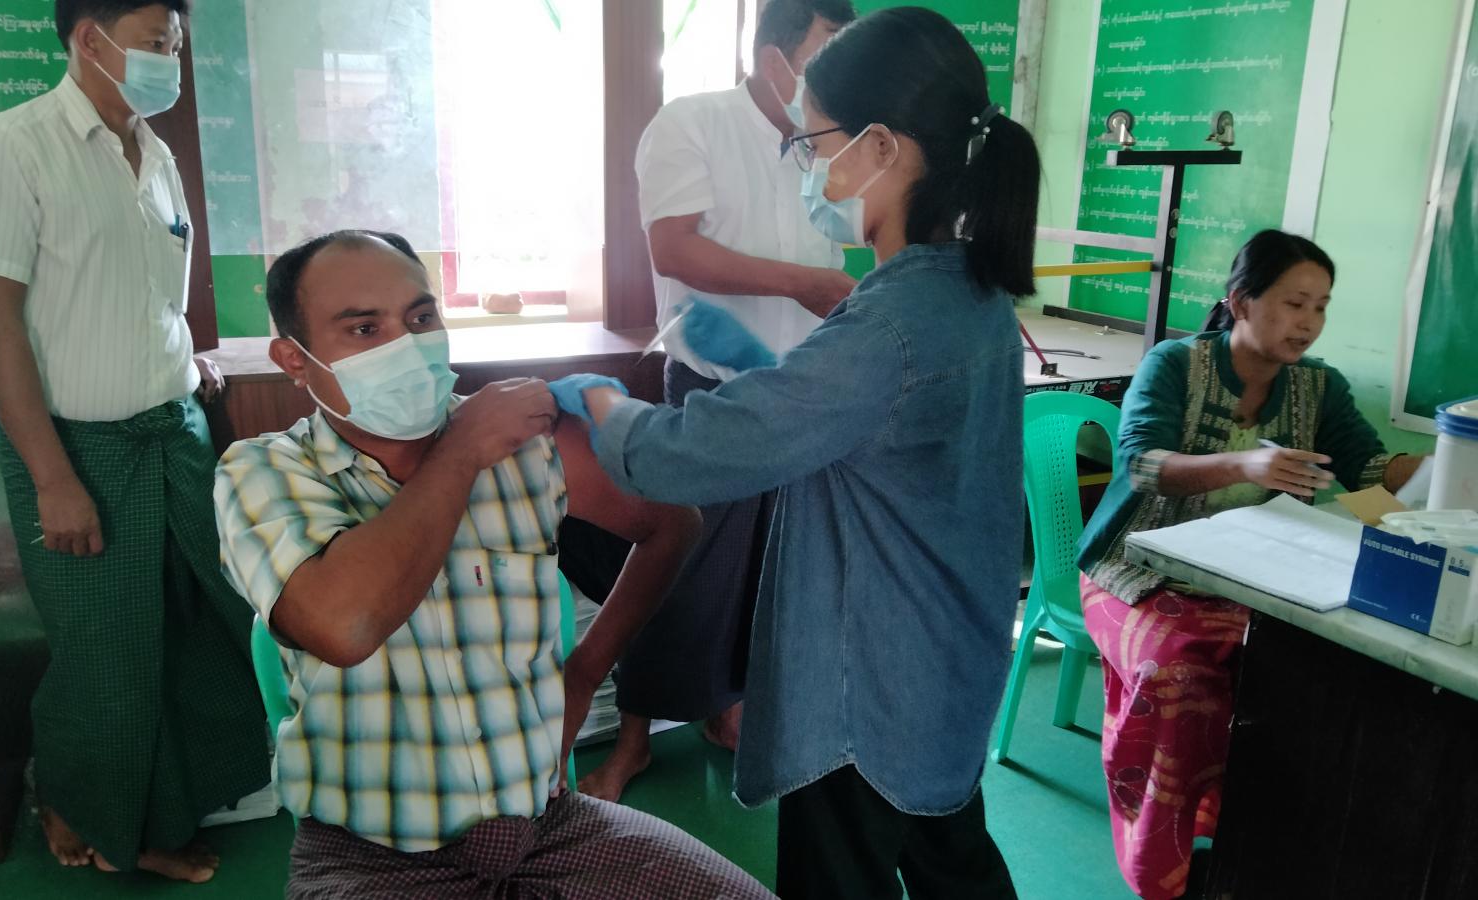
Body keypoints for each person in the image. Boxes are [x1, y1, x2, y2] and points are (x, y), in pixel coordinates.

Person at [555, 9, 1038, 898]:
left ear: (882, 148)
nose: (808, 168)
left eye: (812, 144)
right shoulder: (971, 295)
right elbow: (874, 434)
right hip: (947, 663)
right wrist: (762, 370)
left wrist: (601, 405)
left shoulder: (888, 325)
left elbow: (687, 456)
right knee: (954, 861)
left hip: (869, 688)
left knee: (843, 872)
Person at [212, 231, 773, 899]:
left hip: (549, 828)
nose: (406, 345)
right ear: (294, 360)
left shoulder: (524, 447)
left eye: (421, 318)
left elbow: (672, 523)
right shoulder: (263, 471)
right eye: (365, 329)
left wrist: (584, 673)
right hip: (370, 856)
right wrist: (463, 451)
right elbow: (344, 626)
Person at [0, 0, 269, 882]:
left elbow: (140, 295)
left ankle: (166, 801)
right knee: (106, 653)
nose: (171, 63)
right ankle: (95, 814)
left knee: (199, 624)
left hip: (173, 432)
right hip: (77, 450)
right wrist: (52, 479)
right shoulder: (5, 151)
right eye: (157, 43)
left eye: (177, 46)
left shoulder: (153, 155)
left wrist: (179, 357)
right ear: (89, 39)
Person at [1074, 230, 1427, 900]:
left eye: (1321, 307)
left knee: (1306, 680)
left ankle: (1254, 853)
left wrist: (1445, 466)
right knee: (1177, 680)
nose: (1309, 322)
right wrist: (1246, 464)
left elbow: (1369, 471)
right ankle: (1163, 867)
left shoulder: (1319, 388)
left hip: (1249, 581)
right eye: (1294, 303)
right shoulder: (1175, 365)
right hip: (1133, 572)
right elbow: (1143, 464)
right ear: (1240, 302)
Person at [573, 0, 859, 806]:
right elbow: (674, 249)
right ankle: (633, 743)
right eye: (828, 53)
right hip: (717, 391)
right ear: (775, 58)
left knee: (775, 575)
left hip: (801, 397)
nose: (840, 74)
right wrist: (803, 283)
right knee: (681, 571)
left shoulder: (830, 143)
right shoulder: (691, 123)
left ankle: (730, 713)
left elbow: (851, 235)